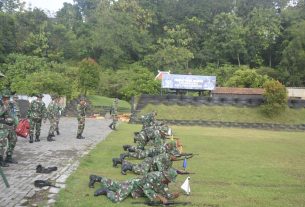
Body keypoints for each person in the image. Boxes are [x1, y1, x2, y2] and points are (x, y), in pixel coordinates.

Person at [89, 168, 179, 204]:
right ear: (167, 177)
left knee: (116, 185)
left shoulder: (163, 181)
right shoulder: (153, 176)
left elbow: (163, 192)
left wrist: (171, 195)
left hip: (137, 189)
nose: (170, 182)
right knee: (117, 199)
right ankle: (106, 191)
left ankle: (97, 178)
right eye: (170, 180)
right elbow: (148, 190)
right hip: (133, 185)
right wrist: (160, 197)